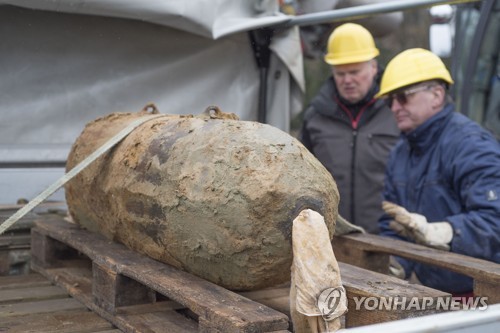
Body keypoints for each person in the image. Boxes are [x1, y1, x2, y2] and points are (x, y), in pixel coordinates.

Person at [376, 48, 500, 295]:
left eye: (402, 97)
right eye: (389, 100)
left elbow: (495, 221)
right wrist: (395, 265)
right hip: (433, 292)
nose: (394, 107)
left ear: (436, 95)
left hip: (482, 294)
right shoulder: (400, 153)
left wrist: (443, 232)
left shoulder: (471, 145)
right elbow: (394, 226)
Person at [299, 23, 399, 233]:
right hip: (333, 236)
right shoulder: (315, 116)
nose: (348, 80)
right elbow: (302, 179)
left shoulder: (398, 111)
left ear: (373, 67)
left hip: (387, 236)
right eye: (340, 73)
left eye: (355, 72)